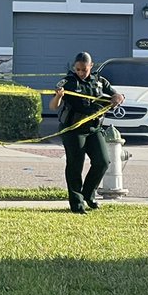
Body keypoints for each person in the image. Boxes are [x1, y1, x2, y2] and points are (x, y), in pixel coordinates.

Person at [51, 52, 125, 214]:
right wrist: (59, 96)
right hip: (73, 130)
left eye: (84, 70)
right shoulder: (68, 82)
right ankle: (77, 204)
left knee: (103, 162)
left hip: (94, 129)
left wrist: (118, 97)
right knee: (75, 165)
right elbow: (53, 106)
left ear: (91, 66)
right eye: (78, 69)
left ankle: (89, 195)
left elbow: (116, 94)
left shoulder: (99, 81)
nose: (81, 73)